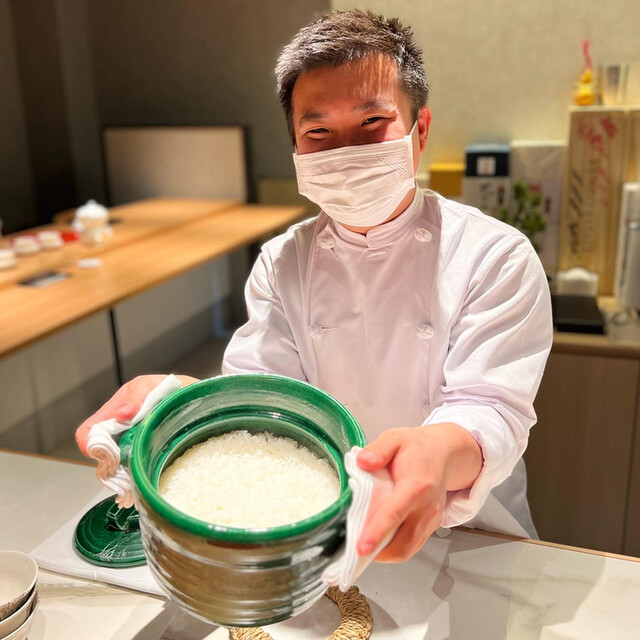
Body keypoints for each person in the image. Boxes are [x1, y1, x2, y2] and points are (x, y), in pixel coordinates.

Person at [76, 10, 552, 563]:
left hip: (470, 537)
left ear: (419, 131)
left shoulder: (494, 255)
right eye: (319, 131)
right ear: (297, 149)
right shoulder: (282, 261)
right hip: (319, 522)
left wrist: (437, 452)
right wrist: (185, 402)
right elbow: (266, 401)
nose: (346, 150)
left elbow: (490, 409)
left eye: (372, 122)